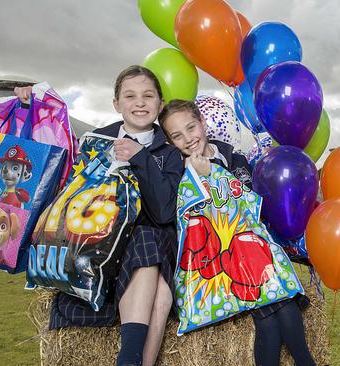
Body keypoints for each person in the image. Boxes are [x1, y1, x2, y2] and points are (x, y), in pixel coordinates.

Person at [18, 65, 185, 366]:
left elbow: (163, 212)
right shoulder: (95, 141)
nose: (139, 102)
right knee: (160, 294)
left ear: (160, 105)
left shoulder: (169, 152)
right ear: (116, 104)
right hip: (101, 249)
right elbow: (62, 182)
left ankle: (128, 359)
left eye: (148, 96)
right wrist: (30, 110)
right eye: (130, 95)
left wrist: (139, 156)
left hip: (153, 246)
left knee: (148, 240)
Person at [158, 99, 315, 366]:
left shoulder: (234, 158)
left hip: (253, 247)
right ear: (171, 142)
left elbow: (250, 202)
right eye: (177, 136)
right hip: (223, 260)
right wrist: (200, 177)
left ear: (203, 123)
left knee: (269, 314)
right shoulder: (176, 172)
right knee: (279, 302)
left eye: (191, 128)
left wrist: (214, 172)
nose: (188, 138)